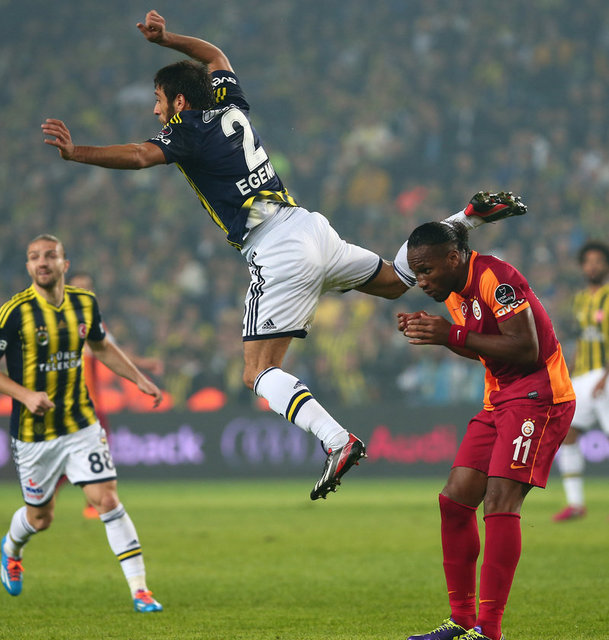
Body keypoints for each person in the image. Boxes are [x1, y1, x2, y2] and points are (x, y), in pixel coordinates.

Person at [41, 10, 525, 500]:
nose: (155, 111)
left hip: (275, 246)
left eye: (158, 100)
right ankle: (465, 219)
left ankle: (337, 440)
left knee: (257, 371)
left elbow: (139, 155)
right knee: (397, 281)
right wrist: (168, 39)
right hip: (309, 226)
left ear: (179, 102)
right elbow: (215, 55)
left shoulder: (186, 130)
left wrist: (77, 152)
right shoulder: (229, 106)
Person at [397, 222, 575, 640]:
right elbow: (481, 347)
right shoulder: (454, 290)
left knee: (499, 500)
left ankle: (489, 629)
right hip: (498, 399)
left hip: (539, 395)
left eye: (426, 271)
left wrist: (452, 333)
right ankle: (461, 619)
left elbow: (526, 349)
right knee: (454, 500)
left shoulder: (497, 278)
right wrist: (439, 335)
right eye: (416, 273)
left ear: (453, 258)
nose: (421, 282)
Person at [0, 235, 163, 613]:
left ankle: (140, 590)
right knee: (41, 518)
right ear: (28, 267)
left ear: (64, 264)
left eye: (50, 256)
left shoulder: (84, 303)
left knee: (107, 500)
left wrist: (137, 378)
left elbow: (101, 345)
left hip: (80, 424)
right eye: (34, 257)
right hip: (34, 434)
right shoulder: (13, 313)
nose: (42, 262)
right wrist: (25, 395)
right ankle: (10, 549)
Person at [66, 272, 164, 520]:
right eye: (79, 288)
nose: (85, 293)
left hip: (92, 403)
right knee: (77, 454)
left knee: (97, 452)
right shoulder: (59, 322)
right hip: (68, 403)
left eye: (88, 288)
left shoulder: (93, 322)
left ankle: (92, 503)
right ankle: (41, 507)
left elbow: (112, 352)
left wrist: (142, 367)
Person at [553, 240, 609, 521]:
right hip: (584, 376)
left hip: (605, 374)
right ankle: (575, 504)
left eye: (598, 261)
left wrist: (605, 376)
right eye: (588, 262)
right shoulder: (580, 300)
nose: (593, 266)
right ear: (582, 267)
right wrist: (569, 371)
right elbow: (583, 340)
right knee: (568, 432)